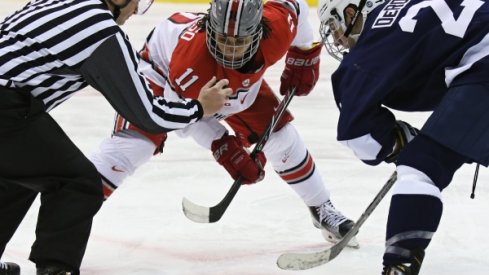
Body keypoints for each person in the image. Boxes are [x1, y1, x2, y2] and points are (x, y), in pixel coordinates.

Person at [89, 0, 358, 248]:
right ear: (209, 28)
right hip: (161, 76)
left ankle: (322, 208)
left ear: (258, 32)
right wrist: (221, 144)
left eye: (239, 41)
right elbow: (179, 117)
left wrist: (304, 54)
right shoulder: (190, 65)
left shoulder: (274, 29)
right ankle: (69, 211)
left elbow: (296, 8)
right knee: (133, 147)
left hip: (229, 86)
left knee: (281, 137)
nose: (229, 49)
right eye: (222, 39)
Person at [0, 0, 231, 274]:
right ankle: (56, 269)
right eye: (136, 3)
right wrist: (199, 108)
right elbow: (148, 115)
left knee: (20, 175)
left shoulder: (56, 3)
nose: (135, 11)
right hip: (7, 109)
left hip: (10, 109)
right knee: (78, 182)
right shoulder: (99, 29)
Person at [318, 0, 489, 274]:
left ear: (351, 13)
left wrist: (400, 141)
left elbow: (359, 136)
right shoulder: (409, 8)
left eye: (334, 25)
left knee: (420, 167)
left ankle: (398, 267)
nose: (337, 37)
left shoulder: (372, 43)